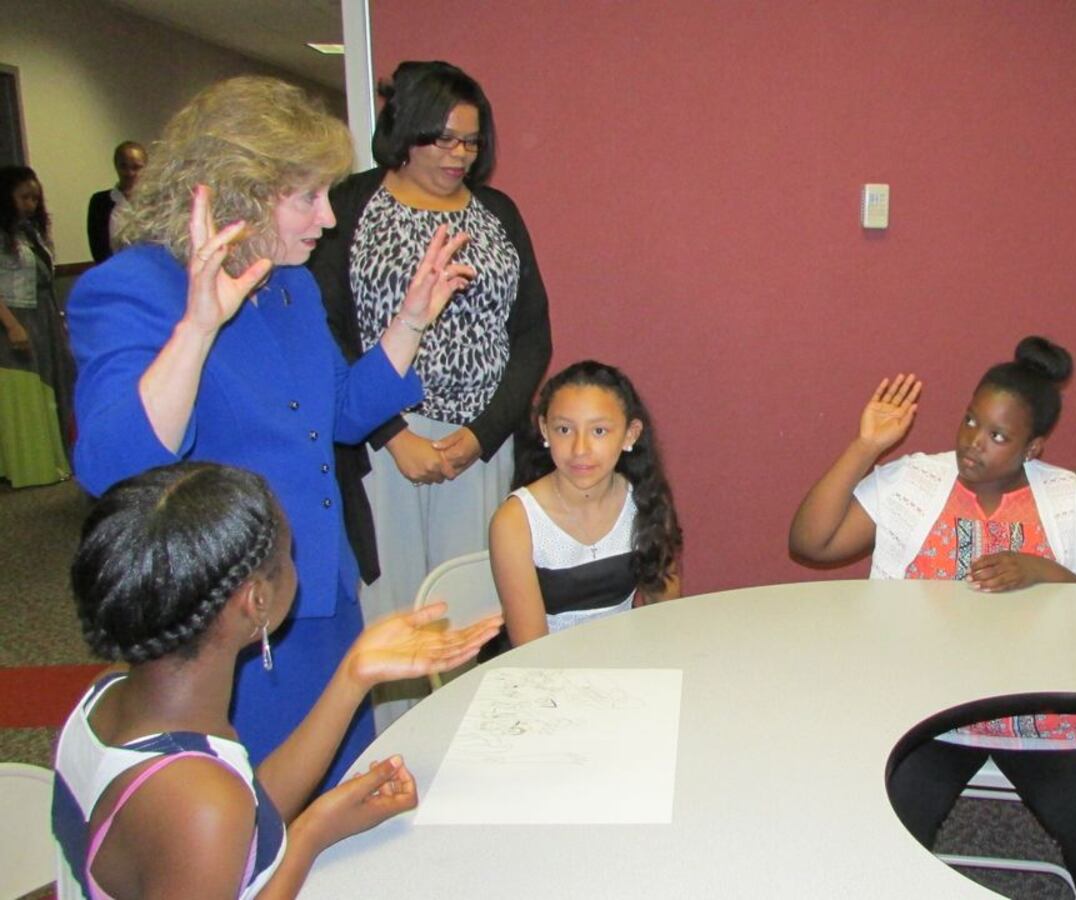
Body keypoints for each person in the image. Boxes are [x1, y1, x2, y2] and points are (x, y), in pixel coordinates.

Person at [68, 75, 474, 789]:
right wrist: (197, 330)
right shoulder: (133, 288)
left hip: (319, 589)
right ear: (236, 191)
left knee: (338, 796)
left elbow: (339, 414)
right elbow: (113, 464)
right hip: (223, 624)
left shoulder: (290, 285)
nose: (326, 218)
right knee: (250, 820)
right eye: (307, 197)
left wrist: (411, 321)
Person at [789, 337, 1076, 900]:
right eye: (969, 422)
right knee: (856, 850)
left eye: (997, 436)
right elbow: (810, 543)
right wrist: (865, 446)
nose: (972, 444)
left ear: (1033, 447)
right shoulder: (915, 483)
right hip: (925, 711)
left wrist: (1047, 572)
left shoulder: (1067, 497)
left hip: (1046, 715)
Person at [54, 461, 502, 899]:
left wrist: (353, 675)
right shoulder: (199, 799)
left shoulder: (112, 691)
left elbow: (240, 812)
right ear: (256, 600)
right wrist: (309, 834)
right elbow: (215, 813)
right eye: (287, 556)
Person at [310, 60, 551, 728]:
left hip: (479, 441)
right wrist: (393, 433)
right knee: (396, 612)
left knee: (475, 607)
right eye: (442, 139)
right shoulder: (351, 206)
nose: (459, 155)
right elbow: (328, 331)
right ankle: (391, 755)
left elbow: (532, 333)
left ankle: (470, 746)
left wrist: (481, 435)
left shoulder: (497, 212)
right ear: (404, 132)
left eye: (471, 142)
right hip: (385, 444)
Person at [488, 360, 682, 646]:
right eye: (564, 430)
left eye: (599, 431)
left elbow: (666, 618)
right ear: (544, 430)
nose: (580, 449)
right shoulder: (516, 521)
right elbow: (530, 650)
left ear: (630, 434)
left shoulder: (644, 502)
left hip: (625, 664)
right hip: (545, 672)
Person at [0, 165, 74, 486]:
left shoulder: (30, 232)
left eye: (35, 198)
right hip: (15, 316)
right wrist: (13, 326)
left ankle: (58, 459)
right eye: (23, 197)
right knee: (25, 387)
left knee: (54, 381)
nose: (30, 204)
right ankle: (29, 466)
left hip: (43, 312)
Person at [86, 141, 146, 263]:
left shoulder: (154, 200)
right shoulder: (99, 202)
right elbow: (97, 246)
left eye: (136, 167)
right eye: (123, 166)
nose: (129, 173)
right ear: (116, 166)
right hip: (113, 271)